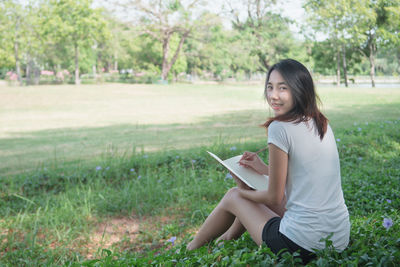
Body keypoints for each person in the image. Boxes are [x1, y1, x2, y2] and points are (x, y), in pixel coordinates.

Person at [186, 59, 350, 263]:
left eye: (283, 88)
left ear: (300, 90)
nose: (273, 95)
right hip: (338, 238)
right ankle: (226, 238)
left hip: (299, 246)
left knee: (232, 196)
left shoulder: (279, 128)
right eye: (270, 87)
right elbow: (303, 173)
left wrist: (243, 192)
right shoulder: (320, 122)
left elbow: (273, 197)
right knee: (249, 195)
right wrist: (262, 168)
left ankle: (189, 250)